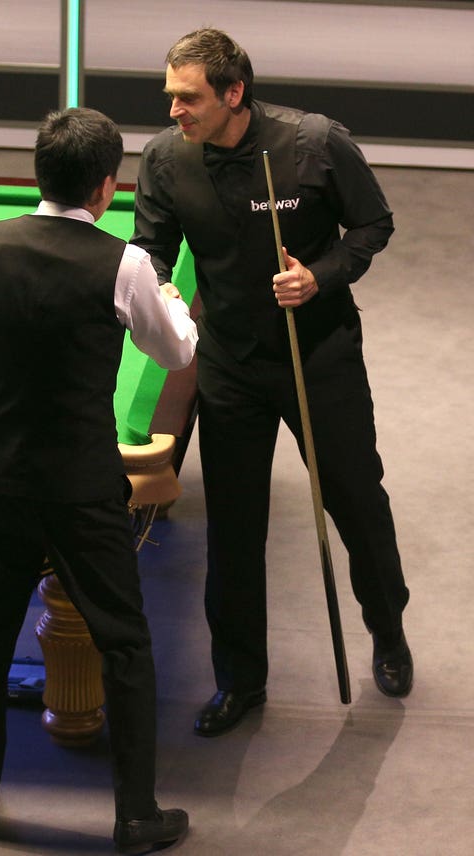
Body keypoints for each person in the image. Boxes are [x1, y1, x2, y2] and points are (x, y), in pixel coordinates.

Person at [0, 106, 196, 851]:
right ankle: (135, 816)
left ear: (38, 174)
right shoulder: (126, 264)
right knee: (126, 645)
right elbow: (173, 355)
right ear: (107, 188)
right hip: (82, 491)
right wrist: (171, 303)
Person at [131, 28, 413, 738]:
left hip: (317, 352)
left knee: (355, 498)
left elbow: (373, 225)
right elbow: (151, 254)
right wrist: (158, 295)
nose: (175, 111)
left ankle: (387, 627)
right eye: (170, 96)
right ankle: (240, 680)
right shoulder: (167, 159)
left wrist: (319, 276)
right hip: (229, 360)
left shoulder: (315, 144)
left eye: (188, 98)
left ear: (234, 94)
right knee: (232, 530)